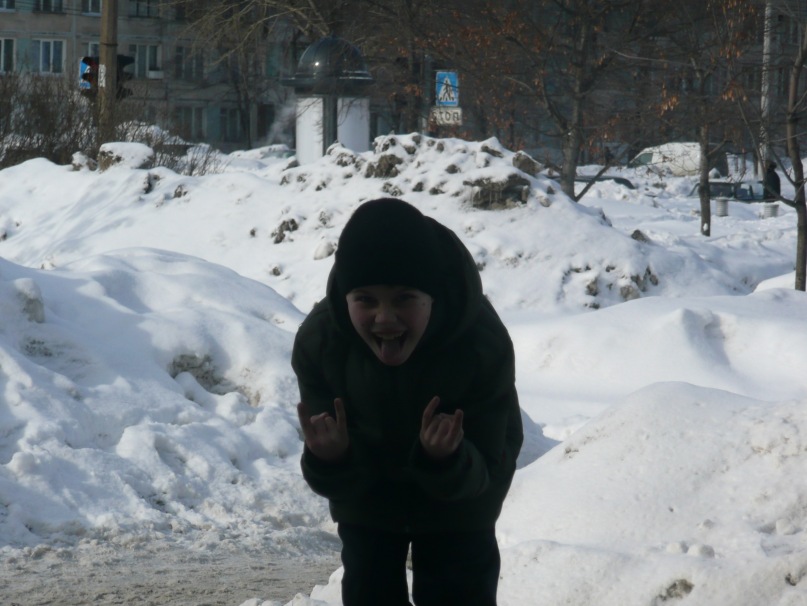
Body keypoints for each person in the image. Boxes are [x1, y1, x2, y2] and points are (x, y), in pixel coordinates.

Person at [292, 198, 523, 606]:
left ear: (432, 297)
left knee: (458, 588)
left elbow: (492, 462)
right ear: (345, 299)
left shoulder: (480, 343)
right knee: (369, 586)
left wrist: (446, 459)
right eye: (366, 299)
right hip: (370, 496)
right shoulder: (322, 342)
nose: (384, 317)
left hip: (461, 509)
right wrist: (331, 457)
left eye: (403, 299)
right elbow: (335, 477)